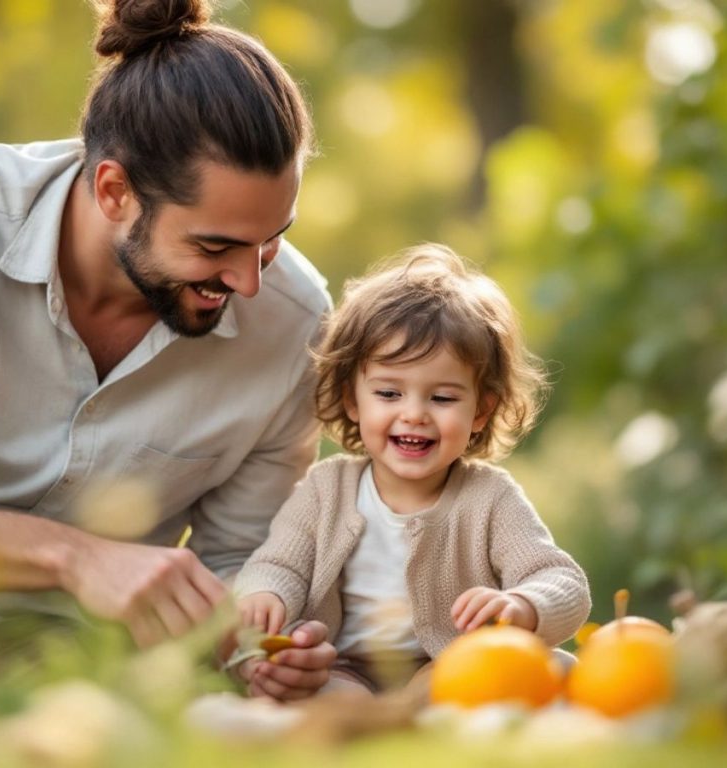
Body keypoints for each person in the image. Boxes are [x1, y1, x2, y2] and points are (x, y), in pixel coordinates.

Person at [0, 0, 336, 699]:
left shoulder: (296, 329)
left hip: (80, 668)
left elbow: (241, 561)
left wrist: (265, 641)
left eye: (273, 239)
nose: (249, 281)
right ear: (114, 190)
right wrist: (75, 558)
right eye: (214, 246)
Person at [234, 244, 591, 694]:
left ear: (481, 411)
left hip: (448, 663)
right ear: (351, 399)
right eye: (389, 394)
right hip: (342, 667)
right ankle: (373, 720)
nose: (415, 414)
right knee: (298, 684)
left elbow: (562, 581)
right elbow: (277, 563)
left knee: (545, 667)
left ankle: (407, 716)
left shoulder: (489, 497)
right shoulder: (327, 489)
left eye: (442, 398)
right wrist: (266, 596)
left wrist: (520, 604)